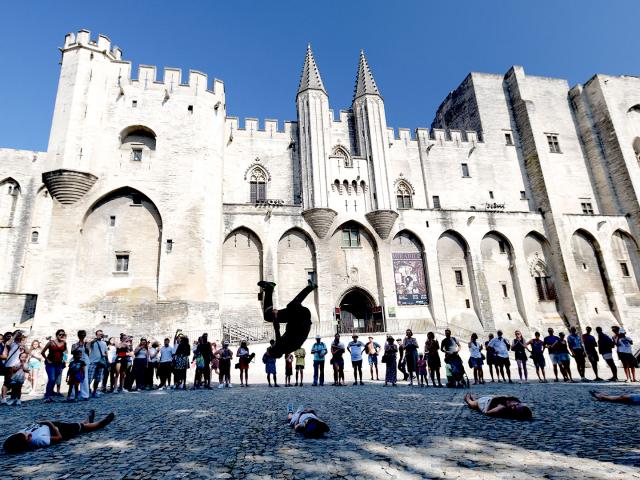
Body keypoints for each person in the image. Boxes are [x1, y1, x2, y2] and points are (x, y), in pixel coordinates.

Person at [3, 410, 115, 453]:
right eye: (28, 437)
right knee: (81, 428)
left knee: (77, 425)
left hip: (50, 426)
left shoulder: (16, 438)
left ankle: (87, 421)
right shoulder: (39, 440)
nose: (28, 435)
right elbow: (59, 438)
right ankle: (100, 423)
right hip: (56, 429)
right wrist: (49, 424)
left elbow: (9, 442)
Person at [258, 280, 317, 357]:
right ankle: (269, 288)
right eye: (271, 347)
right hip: (299, 318)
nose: (273, 344)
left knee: (270, 316)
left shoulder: (287, 349)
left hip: (299, 319)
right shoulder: (280, 346)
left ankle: (310, 287)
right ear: (274, 349)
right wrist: (275, 316)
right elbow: (277, 329)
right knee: (290, 307)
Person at [41, 329, 67, 403]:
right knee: (51, 379)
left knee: (54, 380)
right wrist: (47, 359)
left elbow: (63, 352)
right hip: (51, 363)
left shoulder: (64, 343)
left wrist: (63, 360)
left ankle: (50, 395)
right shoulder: (51, 343)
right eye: (60, 334)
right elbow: (42, 352)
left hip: (59, 364)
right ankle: (47, 396)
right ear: (57, 335)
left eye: (63, 334)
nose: (61, 336)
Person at [464, 393, 533, 420]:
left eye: (514, 407)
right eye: (517, 404)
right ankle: (470, 398)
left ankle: (467, 398)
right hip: (489, 399)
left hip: (484, 404)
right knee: (473, 403)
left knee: (471, 404)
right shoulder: (516, 400)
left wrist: (499, 408)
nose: (514, 405)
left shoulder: (503, 408)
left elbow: (487, 412)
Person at [1, 330, 25, 404]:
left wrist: (23, 344)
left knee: (17, 383)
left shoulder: (21, 344)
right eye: (17, 334)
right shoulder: (11, 343)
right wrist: (14, 335)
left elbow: (27, 352)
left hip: (18, 366)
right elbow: (8, 343)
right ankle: (4, 399)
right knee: (7, 382)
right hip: (10, 365)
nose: (19, 335)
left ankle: (14, 398)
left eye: (20, 334)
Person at [71, 330, 91, 400]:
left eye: (83, 334)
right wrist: (78, 346)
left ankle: (85, 395)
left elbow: (88, 352)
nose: (82, 336)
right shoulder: (75, 344)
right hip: (76, 362)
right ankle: (73, 395)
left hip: (84, 362)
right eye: (81, 335)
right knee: (74, 378)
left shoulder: (87, 344)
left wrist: (85, 346)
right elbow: (72, 352)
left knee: (84, 378)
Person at [88, 330, 108, 398]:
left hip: (101, 363)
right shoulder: (93, 342)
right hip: (93, 362)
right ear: (96, 335)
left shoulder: (104, 343)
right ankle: (86, 391)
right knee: (89, 378)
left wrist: (107, 362)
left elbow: (105, 353)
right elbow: (88, 345)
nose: (100, 335)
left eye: (101, 334)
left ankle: (94, 391)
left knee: (98, 379)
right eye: (99, 334)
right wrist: (94, 340)